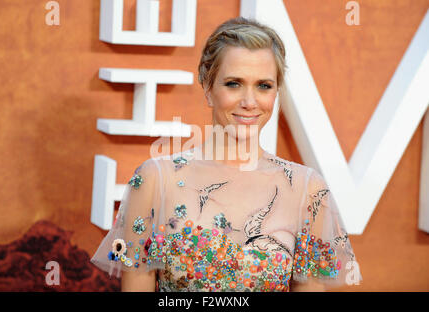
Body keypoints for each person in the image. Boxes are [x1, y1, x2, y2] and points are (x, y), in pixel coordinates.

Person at [91, 17, 362, 292]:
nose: (249, 101)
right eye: (233, 83)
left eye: (264, 85)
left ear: (276, 92)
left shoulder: (307, 189)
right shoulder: (154, 180)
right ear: (208, 88)